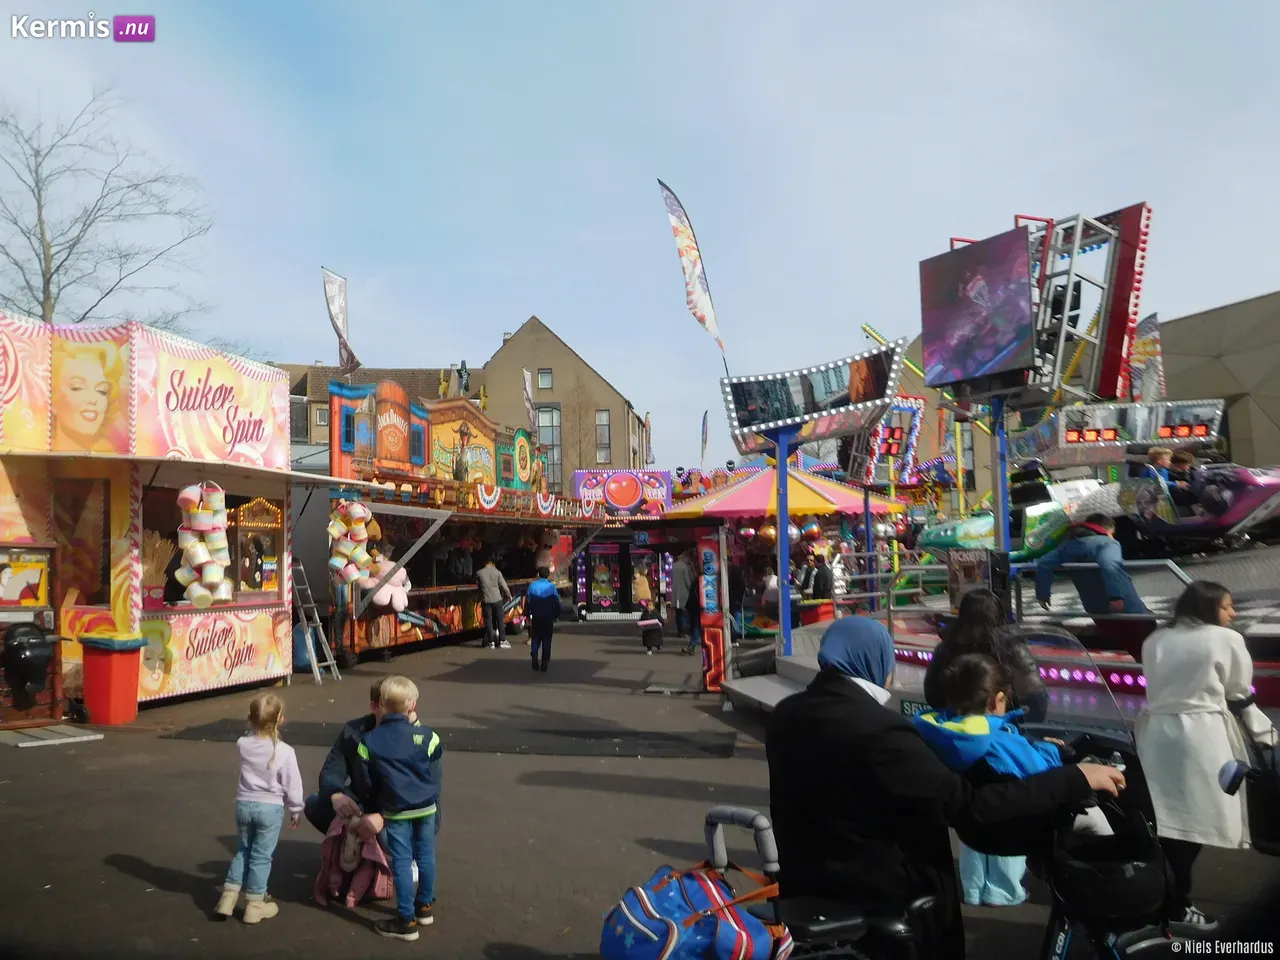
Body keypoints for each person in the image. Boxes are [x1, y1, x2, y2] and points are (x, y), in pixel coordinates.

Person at [766, 615, 1125, 959]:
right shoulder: (881, 731)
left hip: (809, 884)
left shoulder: (787, 714)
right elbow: (971, 807)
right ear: (874, 661)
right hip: (886, 897)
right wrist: (1074, 777)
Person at [915, 654, 1112, 909]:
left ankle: (975, 890)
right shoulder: (1001, 741)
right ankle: (1110, 890)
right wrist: (1056, 753)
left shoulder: (946, 734)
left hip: (978, 831)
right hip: (1018, 825)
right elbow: (1041, 774)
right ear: (996, 700)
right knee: (1096, 819)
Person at [1136, 581, 1278, 930]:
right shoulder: (1225, 639)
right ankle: (1175, 905)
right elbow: (1239, 693)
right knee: (1196, 825)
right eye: (1228, 606)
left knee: (1166, 822)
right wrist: (1264, 735)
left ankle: (1160, 898)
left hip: (1154, 735)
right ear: (1209, 607)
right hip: (1202, 737)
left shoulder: (1155, 639)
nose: (1233, 613)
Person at [354, 676, 444, 942]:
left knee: (403, 862)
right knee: (426, 855)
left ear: (381, 704)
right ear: (412, 705)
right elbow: (434, 762)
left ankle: (406, 920)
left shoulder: (369, 741)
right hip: (426, 807)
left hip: (395, 809)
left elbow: (364, 781)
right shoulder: (428, 736)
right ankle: (425, 906)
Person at [214, 693, 305, 924]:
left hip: (244, 804)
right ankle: (255, 903)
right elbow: (292, 783)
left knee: (243, 849)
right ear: (281, 720)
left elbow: (252, 737)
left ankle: (228, 896)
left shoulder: (243, 744)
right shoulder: (285, 751)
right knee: (261, 856)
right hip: (270, 808)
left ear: (250, 719)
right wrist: (295, 808)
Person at [925, 588, 1046, 723]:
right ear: (997, 613)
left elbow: (932, 695)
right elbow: (1035, 697)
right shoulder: (1012, 646)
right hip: (1003, 727)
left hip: (957, 725)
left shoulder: (948, 646)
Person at [1034, 514, 1153, 650]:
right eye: (1111, 533)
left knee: (1122, 642)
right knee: (1145, 638)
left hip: (1095, 609)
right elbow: (1110, 565)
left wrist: (1043, 595)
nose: (1112, 536)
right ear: (1106, 529)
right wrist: (1115, 597)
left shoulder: (1067, 546)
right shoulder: (1107, 543)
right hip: (1125, 607)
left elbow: (1044, 564)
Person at [305, 680, 388, 837]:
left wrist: (385, 817)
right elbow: (333, 767)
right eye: (388, 706)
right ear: (374, 706)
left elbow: (419, 795)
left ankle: (409, 855)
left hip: (397, 811)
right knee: (315, 804)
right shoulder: (354, 731)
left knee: (387, 834)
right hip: (362, 800)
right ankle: (354, 846)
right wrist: (336, 794)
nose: (395, 712)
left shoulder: (416, 739)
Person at [524, 565, 560, 672]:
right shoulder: (551, 587)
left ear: (538, 575)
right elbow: (556, 603)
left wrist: (527, 614)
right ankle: (545, 662)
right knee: (546, 640)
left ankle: (534, 656)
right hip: (547, 617)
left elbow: (528, 601)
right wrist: (556, 615)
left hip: (536, 616)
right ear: (548, 575)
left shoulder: (532, 586)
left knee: (535, 638)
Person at [476, 555, 512, 650]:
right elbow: (504, 586)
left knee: (488, 620)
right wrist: (509, 595)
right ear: (491, 563)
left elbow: (476, 584)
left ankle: (491, 642)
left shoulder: (479, 573)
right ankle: (502, 640)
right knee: (500, 619)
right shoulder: (497, 572)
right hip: (497, 599)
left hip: (486, 600)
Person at [671, 551, 694, 637]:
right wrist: (692, 588)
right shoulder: (685, 567)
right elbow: (687, 581)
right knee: (684, 612)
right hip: (684, 592)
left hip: (675, 592)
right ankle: (684, 630)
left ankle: (679, 630)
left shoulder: (674, 565)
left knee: (678, 613)